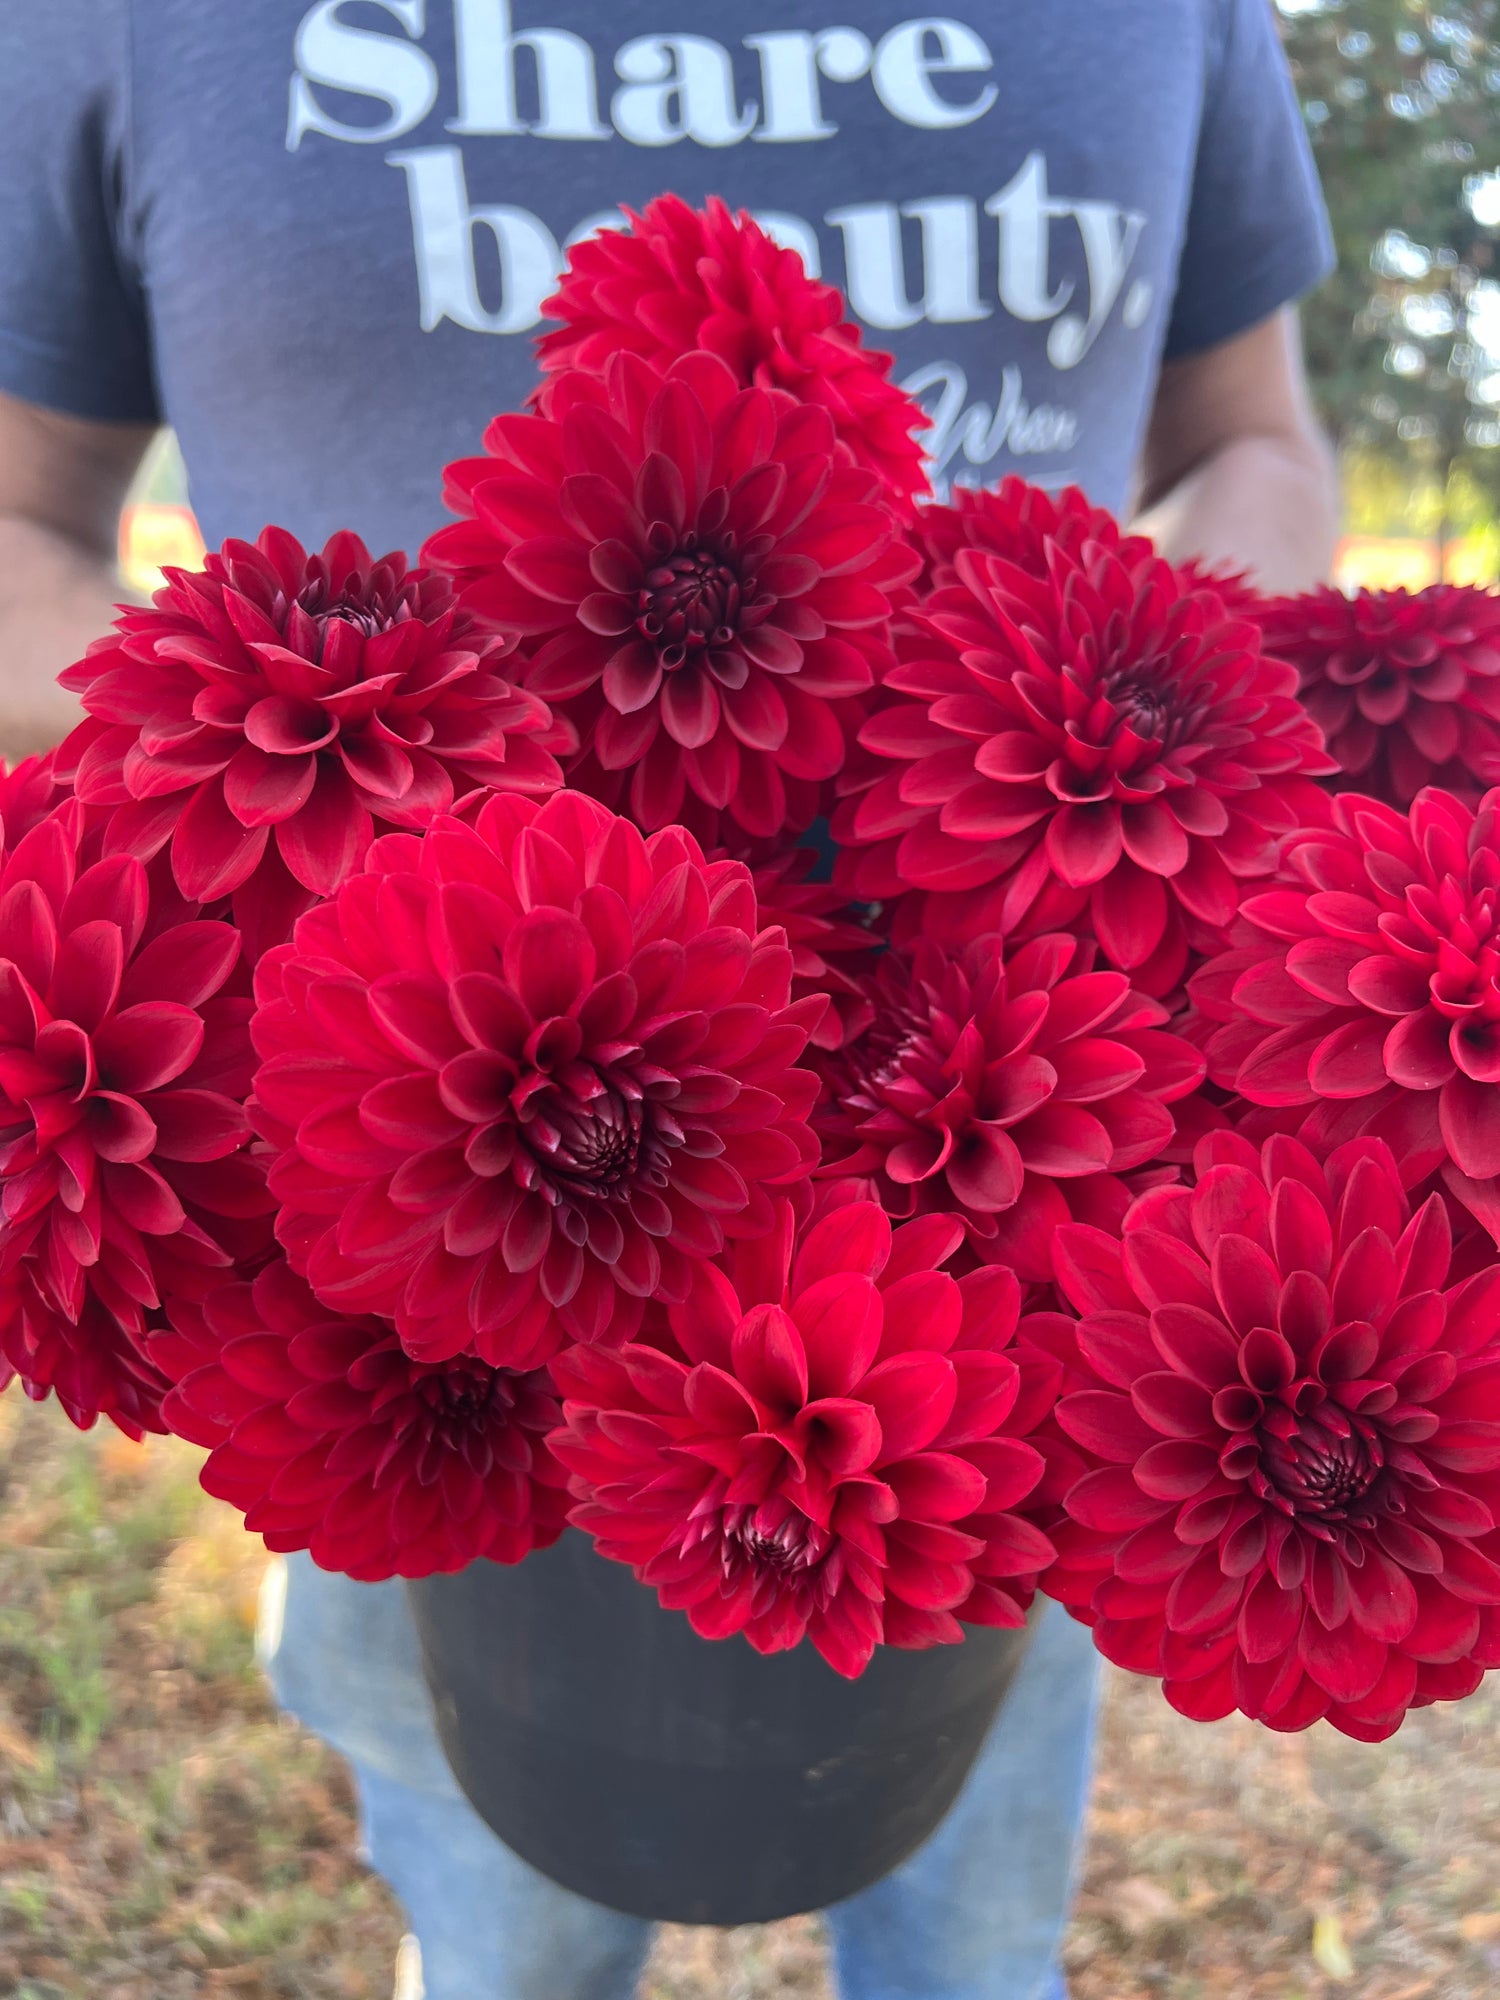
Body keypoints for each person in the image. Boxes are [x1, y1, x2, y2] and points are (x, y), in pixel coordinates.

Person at [0, 5, 1340, 1997]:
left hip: (1014, 1219)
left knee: (972, 1934)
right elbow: (23, 510)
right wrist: (254, 753)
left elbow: (1255, 432)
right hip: (367, 1200)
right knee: (513, 1929)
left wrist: (1190, 743)